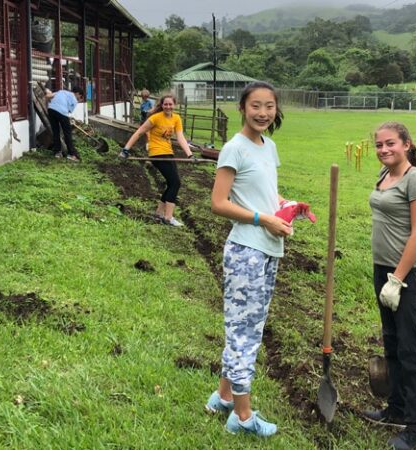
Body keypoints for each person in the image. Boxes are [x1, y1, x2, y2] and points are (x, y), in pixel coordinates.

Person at [206, 81, 312, 438]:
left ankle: (222, 397)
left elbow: (268, 191)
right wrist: (262, 218)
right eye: (256, 106)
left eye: (269, 106)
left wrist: (286, 206)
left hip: (268, 249)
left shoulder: (269, 146)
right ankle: (243, 416)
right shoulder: (233, 149)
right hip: (246, 251)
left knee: (246, 327)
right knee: (244, 334)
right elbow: (219, 203)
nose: (263, 113)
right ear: (242, 108)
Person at [365, 121, 416, 450]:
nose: (384, 150)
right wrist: (386, 276)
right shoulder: (383, 176)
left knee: (412, 349)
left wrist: (398, 278)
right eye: (379, 145)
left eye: (390, 143)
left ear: (407, 144)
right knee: (392, 343)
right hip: (383, 270)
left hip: (407, 276)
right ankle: (396, 409)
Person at [120, 94, 194, 227]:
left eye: (170, 104)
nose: (168, 106)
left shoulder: (176, 118)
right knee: (175, 183)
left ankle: (159, 213)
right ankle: (168, 217)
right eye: (165, 104)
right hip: (157, 153)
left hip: (168, 152)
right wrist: (126, 149)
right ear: (162, 105)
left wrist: (189, 154)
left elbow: (180, 137)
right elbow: (139, 132)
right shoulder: (155, 118)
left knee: (172, 184)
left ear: (174, 105)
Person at [46, 86, 84, 161]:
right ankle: (71, 154)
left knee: (56, 132)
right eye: (80, 96)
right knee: (67, 133)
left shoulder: (62, 91)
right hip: (62, 112)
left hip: (51, 110)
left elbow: (48, 96)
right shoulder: (74, 99)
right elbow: (69, 111)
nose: (79, 98)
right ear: (77, 93)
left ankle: (57, 153)